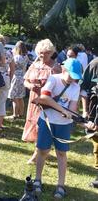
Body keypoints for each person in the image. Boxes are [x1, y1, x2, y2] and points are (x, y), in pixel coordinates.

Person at [33, 58, 94, 199]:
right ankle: (37, 180)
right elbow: (44, 97)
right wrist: (62, 109)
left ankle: (60, 186)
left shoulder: (75, 87)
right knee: (43, 151)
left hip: (63, 125)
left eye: (75, 77)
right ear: (63, 70)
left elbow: (71, 112)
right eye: (70, 75)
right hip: (46, 120)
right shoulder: (53, 79)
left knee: (61, 153)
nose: (73, 79)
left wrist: (84, 123)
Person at [22, 39, 61, 164]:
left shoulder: (56, 67)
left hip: (47, 102)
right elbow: (25, 80)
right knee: (34, 126)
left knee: (42, 127)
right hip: (34, 101)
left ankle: (37, 155)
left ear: (51, 53)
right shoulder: (34, 65)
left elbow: (60, 87)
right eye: (40, 53)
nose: (43, 55)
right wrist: (31, 86)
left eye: (46, 53)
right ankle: (41, 151)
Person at [79, 57, 98, 188]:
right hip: (95, 110)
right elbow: (83, 89)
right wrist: (85, 111)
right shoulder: (95, 64)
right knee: (97, 144)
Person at [0, 34, 15, 133]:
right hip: (5, 77)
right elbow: (12, 67)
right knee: (2, 101)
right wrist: (10, 78)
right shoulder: (9, 53)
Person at [8, 41, 29, 119]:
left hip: (16, 77)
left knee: (14, 97)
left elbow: (12, 67)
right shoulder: (26, 57)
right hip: (23, 77)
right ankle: (21, 113)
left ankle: (15, 114)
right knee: (20, 97)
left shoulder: (16, 57)